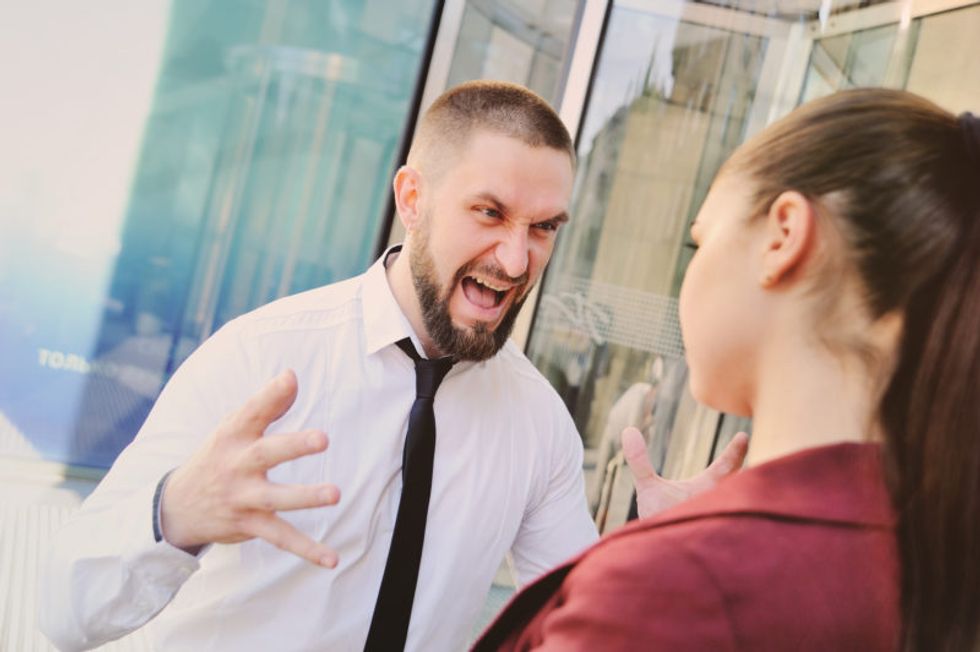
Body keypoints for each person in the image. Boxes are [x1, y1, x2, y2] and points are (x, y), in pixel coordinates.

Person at [40, 81, 746, 652]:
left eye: (542, 228)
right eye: (489, 212)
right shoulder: (259, 358)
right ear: (412, 199)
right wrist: (176, 514)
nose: (515, 258)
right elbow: (65, 611)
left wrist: (655, 559)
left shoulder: (538, 426)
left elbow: (578, 626)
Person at [472, 88, 980, 651]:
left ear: (782, 237)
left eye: (699, 242)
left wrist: (670, 561)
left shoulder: (674, 591)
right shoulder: (926, 548)